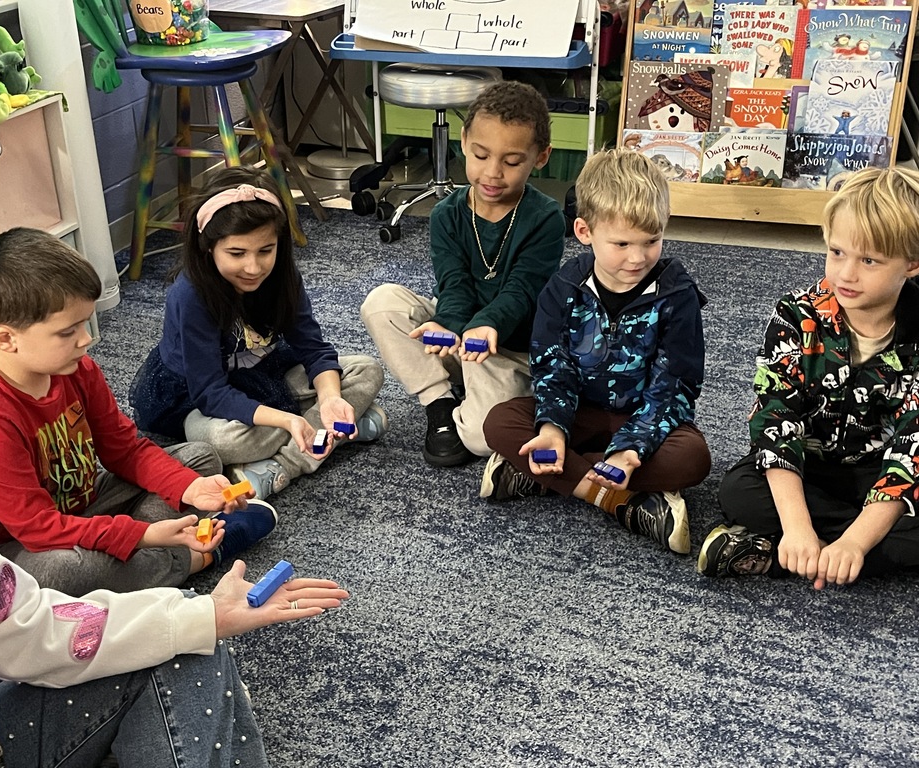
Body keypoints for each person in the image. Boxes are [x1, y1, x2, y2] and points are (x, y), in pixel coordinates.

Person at [0, 286, 349, 767]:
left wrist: (204, 613)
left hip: (85, 515)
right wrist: (143, 534)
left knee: (186, 626)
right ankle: (198, 553)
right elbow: (37, 529)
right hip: (39, 541)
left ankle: (186, 553)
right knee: (68, 574)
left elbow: (28, 624)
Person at [0, 228, 278, 597]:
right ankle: (192, 559)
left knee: (198, 460)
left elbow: (124, 449)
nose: (86, 339)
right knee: (59, 573)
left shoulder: (76, 368)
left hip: (86, 502)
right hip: (24, 543)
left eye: (85, 324)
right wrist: (141, 535)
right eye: (68, 332)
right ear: (5, 339)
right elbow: (37, 528)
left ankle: (139, 558)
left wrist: (188, 487)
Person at [482, 149, 711, 555]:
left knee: (693, 459)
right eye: (621, 243)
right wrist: (552, 427)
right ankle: (619, 501)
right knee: (499, 422)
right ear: (585, 232)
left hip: (646, 417)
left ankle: (545, 475)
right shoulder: (562, 288)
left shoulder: (678, 294)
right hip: (579, 413)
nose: (637, 257)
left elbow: (675, 384)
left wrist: (630, 449)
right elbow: (552, 368)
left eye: (652, 240)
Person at [699, 166, 919, 588]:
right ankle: (817, 550)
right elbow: (776, 420)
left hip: (880, 475)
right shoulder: (796, 314)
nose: (846, 274)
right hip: (807, 467)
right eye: (837, 252)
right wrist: (797, 526)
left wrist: (855, 541)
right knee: (740, 491)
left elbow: (911, 452)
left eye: (869, 260)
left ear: (912, 263)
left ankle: (774, 558)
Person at [129, 166, 387, 501]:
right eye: (237, 254)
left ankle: (284, 464)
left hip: (265, 372)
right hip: (198, 399)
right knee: (221, 441)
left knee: (366, 369)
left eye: (266, 250)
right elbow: (211, 393)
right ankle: (325, 433)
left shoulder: (282, 276)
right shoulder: (191, 295)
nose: (253, 268)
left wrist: (331, 398)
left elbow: (313, 348)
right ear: (208, 248)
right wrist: (287, 420)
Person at [360, 80, 565, 467]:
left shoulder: (546, 218)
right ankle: (439, 402)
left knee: (481, 440)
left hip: (508, 346)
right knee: (382, 303)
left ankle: (485, 394)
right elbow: (453, 283)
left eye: (512, 161)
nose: (492, 173)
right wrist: (448, 323)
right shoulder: (447, 213)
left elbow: (522, 292)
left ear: (541, 157)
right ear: (464, 139)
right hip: (459, 333)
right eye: (480, 154)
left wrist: (484, 326)